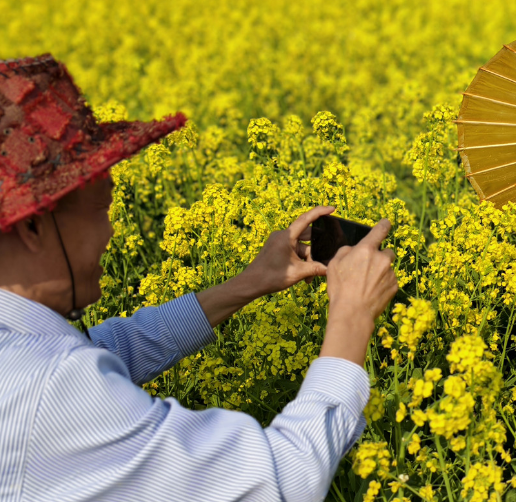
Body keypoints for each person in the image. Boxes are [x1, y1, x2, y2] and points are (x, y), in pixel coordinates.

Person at [0, 55, 398, 501]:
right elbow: (281, 482)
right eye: (100, 209)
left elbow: (101, 350)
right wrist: (351, 315)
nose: (110, 230)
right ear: (33, 226)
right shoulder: (47, 389)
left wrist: (247, 284)